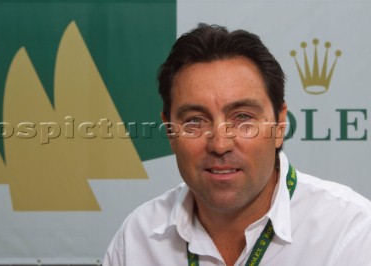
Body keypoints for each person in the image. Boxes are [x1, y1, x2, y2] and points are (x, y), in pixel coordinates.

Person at [103, 24, 371, 266]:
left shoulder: (351, 233)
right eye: (195, 120)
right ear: (170, 131)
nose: (220, 144)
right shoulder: (138, 238)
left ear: (279, 126)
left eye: (243, 117)